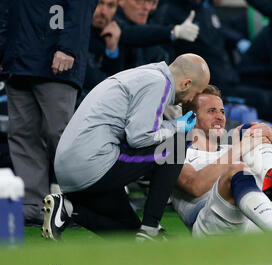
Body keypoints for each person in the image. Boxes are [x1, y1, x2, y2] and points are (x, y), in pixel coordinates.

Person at [41, 54, 210, 241]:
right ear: (186, 84)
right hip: (94, 163)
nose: (193, 99)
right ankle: (151, 228)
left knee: (129, 235)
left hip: (71, 168)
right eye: (197, 92)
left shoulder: (148, 73)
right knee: (175, 145)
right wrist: (176, 126)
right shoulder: (158, 83)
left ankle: (68, 209)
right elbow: (140, 138)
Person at [0, 0, 97, 225]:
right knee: (22, 134)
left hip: (55, 58)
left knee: (61, 135)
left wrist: (68, 47)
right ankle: (33, 205)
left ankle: (80, 204)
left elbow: (81, 6)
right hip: (17, 59)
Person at [171, 85, 272, 237]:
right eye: (212, 111)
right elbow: (194, 186)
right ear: (192, 118)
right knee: (238, 169)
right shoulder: (176, 152)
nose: (220, 117)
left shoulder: (232, 149)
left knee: (257, 132)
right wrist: (240, 148)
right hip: (210, 227)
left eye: (222, 111)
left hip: (252, 222)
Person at [153, 0, 272, 129]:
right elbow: (164, 54)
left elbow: (221, 31)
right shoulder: (171, 11)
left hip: (230, 80)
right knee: (268, 102)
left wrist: (237, 41)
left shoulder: (206, 9)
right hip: (209, 87)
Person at [82, 0, 125, 101]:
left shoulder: (116, 32)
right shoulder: (75, 30)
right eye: (99, 3)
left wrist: (112, 49)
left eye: (110, 6)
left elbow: (118, 82)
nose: (103, 12)